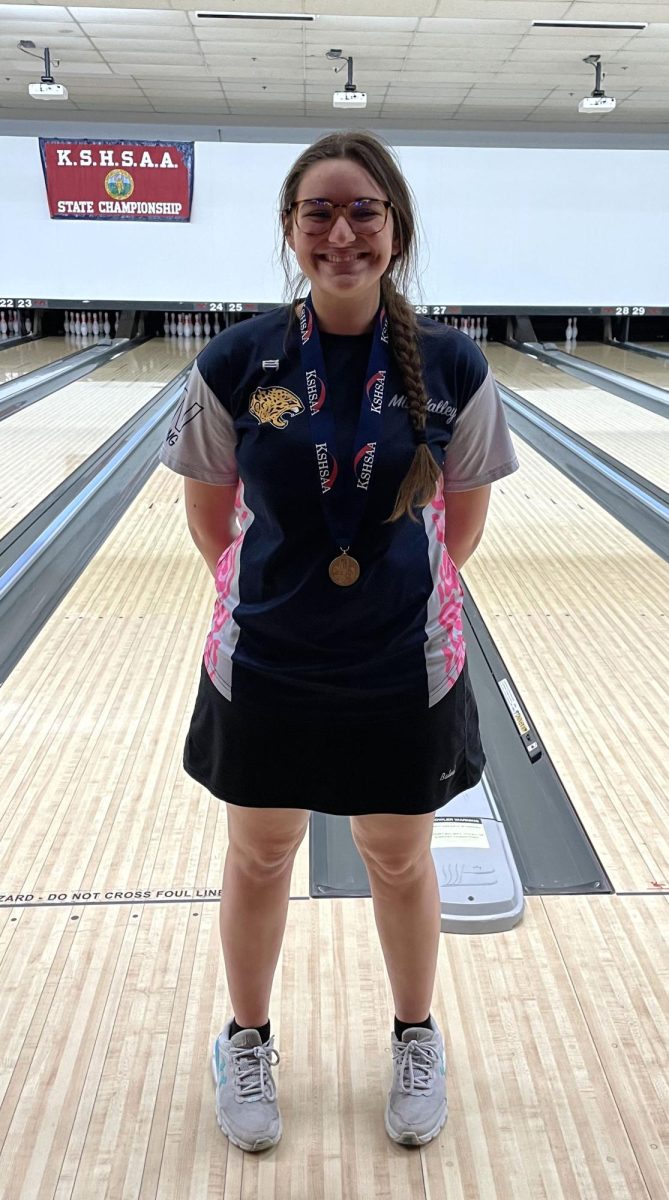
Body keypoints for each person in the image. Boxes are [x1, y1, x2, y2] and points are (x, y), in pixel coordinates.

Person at [159, 130, 519, 1154]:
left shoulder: (452, 365)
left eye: (363, 209)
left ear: (395, 230)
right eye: (319, 211)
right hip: (268, 661)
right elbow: (210, 521)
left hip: (399, 665)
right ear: (290, 231)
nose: (342, 230)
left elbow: (461, 529)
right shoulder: (238, 362)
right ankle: (248, 1039)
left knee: (396, 859)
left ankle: (415, 1034)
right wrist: (278, 602)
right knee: (260, 854)